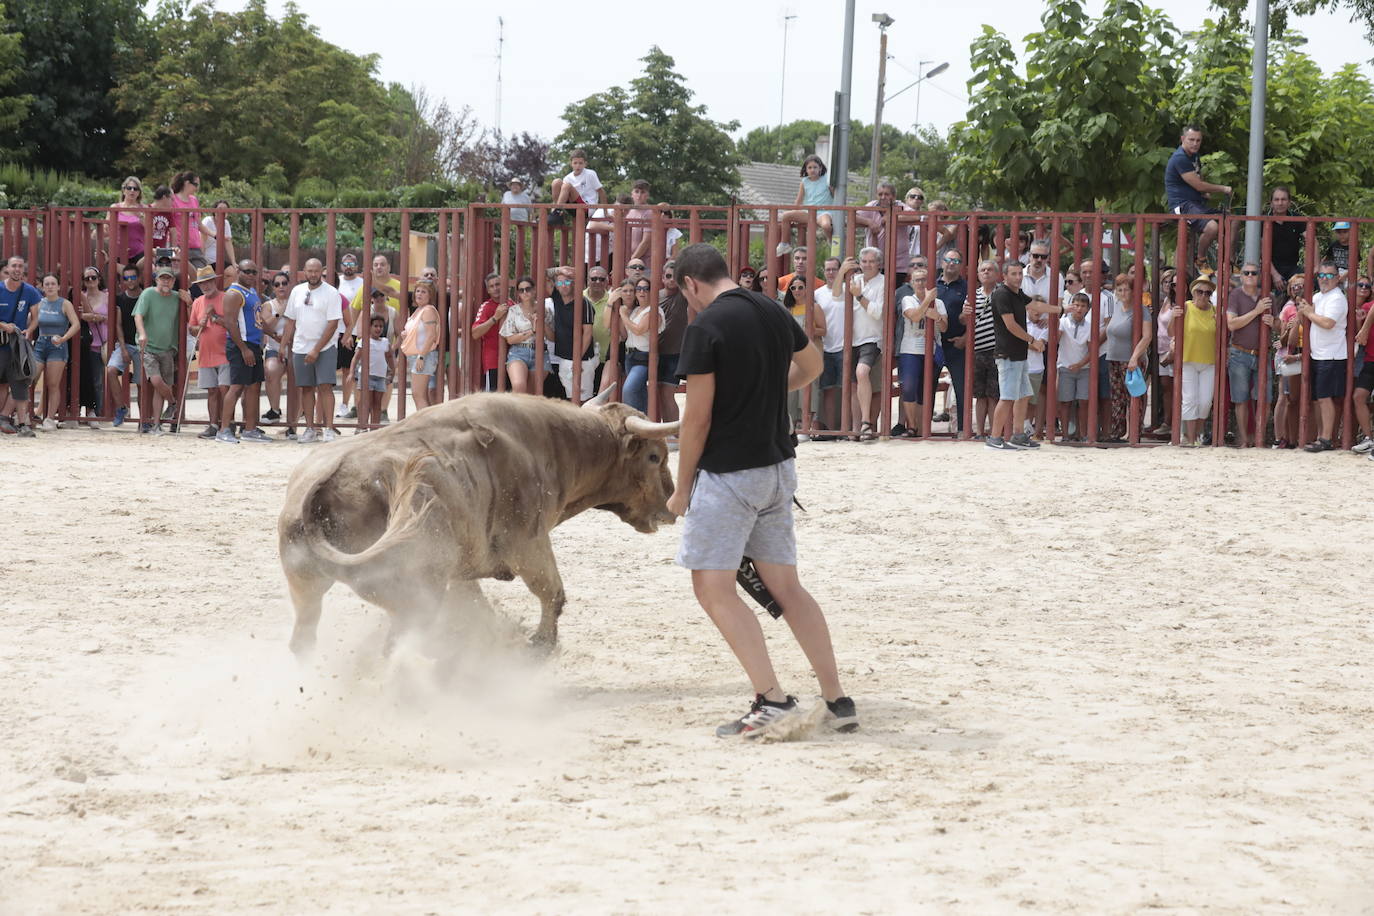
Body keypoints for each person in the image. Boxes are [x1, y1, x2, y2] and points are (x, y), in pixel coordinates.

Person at [666, 243, 857, 739]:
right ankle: (837, 699)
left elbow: (697, 419)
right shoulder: (772, 308)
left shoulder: (705, 327)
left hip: (731, 474)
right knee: (787, 587)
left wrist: (681, 488)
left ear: (690, 284)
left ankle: (770, 698)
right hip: (778, 468)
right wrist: (767, 393)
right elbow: (812, 368)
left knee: (712, 588)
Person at [985, 261, 1045, 450]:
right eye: (1014, 274)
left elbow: (1035, 304)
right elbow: (1010, 325)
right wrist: (1032, 340)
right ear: (1004, 276)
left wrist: (1062, 309)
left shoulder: (1017, 293)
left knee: (1023, 395)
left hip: (1019, 354)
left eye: (1020, 273)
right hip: (1008, 354)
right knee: (1008, 397)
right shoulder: (1002, 294)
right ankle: (994, 438)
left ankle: (1018, 436)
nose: (1018, 277)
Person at [282, 258, 342, 444]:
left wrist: (316, 349)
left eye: (317, 271)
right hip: (300, 347)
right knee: (306, 389)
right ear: (304, 271)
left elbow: (333, 324)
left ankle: (329, 428)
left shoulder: (331, 293)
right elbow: (290, 320)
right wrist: (284, 344)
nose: (313, 274)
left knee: (325, 386)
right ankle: (309, 428)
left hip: (325, 347)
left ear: (321, 271)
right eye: (310, 271)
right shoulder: (297, 292)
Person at [219, 259, 272, 444]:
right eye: (247, 271)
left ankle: (250, 428)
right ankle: (224, 429)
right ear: (238, 271)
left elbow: (257, 319)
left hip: (254, 344)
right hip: (242, 345)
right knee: (237, 386)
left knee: (254, 386)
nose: (250, 275)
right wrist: (243, 349)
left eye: (253, 272)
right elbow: (230, 323)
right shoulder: (234, 293)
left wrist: (274, 334)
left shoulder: (251, 292)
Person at [1164, 125, 1231, 267]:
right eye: (1191, 140)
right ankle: (1200, 259)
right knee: (1212, 227)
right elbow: (1198, 184)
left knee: (1232, 219)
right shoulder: (1180, 158)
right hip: (1182, 206)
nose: (1195, 143)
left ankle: (1229, 260)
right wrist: (1223, 188)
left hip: (1196, 205)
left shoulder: (1194, 156)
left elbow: (1198, 178)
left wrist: (1203, 193)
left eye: (1198, 140)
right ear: (1183, 139)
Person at [835, 248, 885, 441]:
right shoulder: (855, 279)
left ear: (879, 263)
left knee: (862, 372)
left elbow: (878, 312)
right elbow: (836, 295)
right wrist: (842, 272)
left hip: (871, 338)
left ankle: (866, 422)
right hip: (851, 339)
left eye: (871, 261)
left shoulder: (882, 283)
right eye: (863, 261)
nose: (867, 265)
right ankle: (857, 429)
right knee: (854, 385)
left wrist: (858, 297)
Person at [133, 266, 189, 435]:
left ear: (173, 281)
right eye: (162, 278)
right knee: (156, 381)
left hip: (168, 348)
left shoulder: (177, 297)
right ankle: (173, 403)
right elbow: (138, 315)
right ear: (156, 279)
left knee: (160, 388)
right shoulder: (148, 294)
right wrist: (142, 334)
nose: (166, 281)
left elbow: (190, 318)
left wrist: (190, 302)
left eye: (169, 279)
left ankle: (157, 425)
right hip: (148, 347)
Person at [1224, 261, 1274, 448]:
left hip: (1263, 354)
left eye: (1254, 273)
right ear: (1241, 275)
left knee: (1265, 398)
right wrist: (1257, 311)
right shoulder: (1235, 295)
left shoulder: (1267, 296)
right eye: (1247, 273)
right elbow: (1232, 324)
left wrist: (1273, 322)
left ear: (1259, 276)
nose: (1251, 276)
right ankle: (1245, 439)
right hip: (1240, 352)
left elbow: (1278, 326)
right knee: (1241, 398)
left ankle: (1259, 438)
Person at [1301, 259, 1349, 452]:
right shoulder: (1319, 297)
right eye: (1321, 275)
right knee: (1319, 398)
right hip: (1319, 355)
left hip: (1331, 356)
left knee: (1325, 398)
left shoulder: (1337, 298)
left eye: (1329, 275)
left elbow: (1328, 323)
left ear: (1337, 278)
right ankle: (1322, 436)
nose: (1324, 279)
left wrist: (1308, 313)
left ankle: (1326, 438)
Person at [1168, 274, 1219, 447]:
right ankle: (1190, 437)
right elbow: (1171, 332)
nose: (1203, 296)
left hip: (1209, 362)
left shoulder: (1214, 311)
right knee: (1190, 400)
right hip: (1188, 360)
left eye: (1207, 293)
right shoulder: (1186, 307)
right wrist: (1174, 317)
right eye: (1199, 292)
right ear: (1193, 292)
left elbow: (1222, 336)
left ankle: (1197, 433)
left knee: (1205, 402)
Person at [1103, 271, 1154, 442]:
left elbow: (1147, 336)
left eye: (1126, 290)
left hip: (1131, 360)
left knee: (1133, 395)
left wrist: (1135, 357)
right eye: (1120, 290)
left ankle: (1134, 432)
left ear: (1133, 291)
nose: (1123, 293)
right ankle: (1118, 432)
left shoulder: (1141, 310)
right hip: (1113, 358)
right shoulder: (1116, 307)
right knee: (1117, 398)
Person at [896, 267, 946, 437]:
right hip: (910, 348)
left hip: (930, 349)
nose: (920, 283)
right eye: (917, 280)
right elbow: (915, 316)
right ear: (911, 283)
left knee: (925, 389)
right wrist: (927, 303)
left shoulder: (938, 303)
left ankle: (922, 427)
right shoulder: (908, 299)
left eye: (924, 279)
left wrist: (937, 317)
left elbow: (945, 327)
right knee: (909, 387)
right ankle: (912, 425)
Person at [29, 274, 81, 430]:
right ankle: (26, 415)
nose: (50, 286)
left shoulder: (65, 304)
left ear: (58, 286)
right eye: (47, 284)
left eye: (53, 284)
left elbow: (76, 324)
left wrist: (64, 338)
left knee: (52, 384)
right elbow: (33, 322)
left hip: (57, 345)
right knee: (30, 379)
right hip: (40, 344)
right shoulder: (39, 303)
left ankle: (50, 419)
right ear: (43, 287)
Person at [188, 265, 230, 440]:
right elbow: (192, 329)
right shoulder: (198, 302)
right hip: (206, 352)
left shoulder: (227, 298)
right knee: (212, 390)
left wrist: (214, 318)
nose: (206, 286)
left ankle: (228, 424)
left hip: (225, 352)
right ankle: (213, 425)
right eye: (202, 283)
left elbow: (233, 323)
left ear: (214, 281)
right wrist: (200, 325)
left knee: (225, 389)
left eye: (208, 281)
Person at [0, 257, 40, 436]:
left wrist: (29, 330)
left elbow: (36, 317)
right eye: (13, 266)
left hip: (18, 347)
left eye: (20, 266)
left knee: (21, 383)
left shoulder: (30, 291)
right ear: (7, 268)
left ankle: (23, 425)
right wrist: (3, 325)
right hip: (1, 344)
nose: (17, 269)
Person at [547, 267, 597, 402]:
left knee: (584, 398)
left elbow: (587, 334)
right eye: (560, 282)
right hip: (564, 358)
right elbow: (544, 273)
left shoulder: (584, 303)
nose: (563, 286)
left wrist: (577, 358)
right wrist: (559, 269)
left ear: (573, 283)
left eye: (567, 282)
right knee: (571, 397)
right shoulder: (557, 297)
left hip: (583, 359)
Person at [500, 275, 553, 395]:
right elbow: (510, 339)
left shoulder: (544, 310)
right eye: (521, 290)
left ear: (534, 290)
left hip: (540, 352)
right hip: (519, 351)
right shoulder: (513, 310)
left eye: (528, 289)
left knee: (531, 393)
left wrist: (542, 322)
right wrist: (532, 331)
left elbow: (552, 337)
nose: (525, 292)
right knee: (519, 386)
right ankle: (514, 414)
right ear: (518, 293)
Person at [936, 249, 970, 434]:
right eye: (948, 259)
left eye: (956, 260)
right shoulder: (932, 287)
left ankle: (963, 429)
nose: (951, 263)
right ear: (942, 262)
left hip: (958, 345)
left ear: (961, 265)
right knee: (927, 385)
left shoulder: (967, 287)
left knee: (962, 388)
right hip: (935, 345)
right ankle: (922, 428)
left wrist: (966, 338)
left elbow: (975, 316)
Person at [854, 182, 914, 286]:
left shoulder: (900, 206)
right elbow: (852, 216)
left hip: (897, 265)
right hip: (873, 264)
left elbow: (915, 216)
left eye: (887, 194)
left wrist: (892, 217)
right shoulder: (872, 205)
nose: (883, 197)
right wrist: (869, 222)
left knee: (892, 296)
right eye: (880, 194)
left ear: (894, 196)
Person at [619, 278, 665, 413]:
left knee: (629, 389)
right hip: (630, 355)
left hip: (644, 357)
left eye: (646, 289)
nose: (641, 292)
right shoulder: (636, 310)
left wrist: (623, 315)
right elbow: (626, 334)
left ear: (652, 291)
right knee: (638, 393)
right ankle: (643, 428)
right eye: (638, 289)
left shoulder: (654, 310)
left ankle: (632, 424)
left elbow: (639, 330)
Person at [967, 259, 1001, 437]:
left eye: (990, 270)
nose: (986, 272)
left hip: (997, 351)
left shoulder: (1002, 293)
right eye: (983, 270)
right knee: (979, 395)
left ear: (996, 274)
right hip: (977, 350)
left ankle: (994, 431)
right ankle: (980, 431)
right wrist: (963, 315)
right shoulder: (973, 295)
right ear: (978, 274)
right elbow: (965, 321)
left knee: (993, 394)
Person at [777, 154, 835, 255]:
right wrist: (793, 214)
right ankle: (785, 244)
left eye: (815, 167)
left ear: (820, 168)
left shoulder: (826, 179)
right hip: (808, 212)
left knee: (826, 225)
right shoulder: (804, 182)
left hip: (823, 212)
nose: (812, 170)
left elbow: (835, 195)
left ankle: (831, 242)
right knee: (785, 216)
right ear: (806, 169)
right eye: (810, 167)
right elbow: (798, 202)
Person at [1056, 292, 1094, 442]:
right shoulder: (1063, 322)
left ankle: (1082, 434)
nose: (1079, 309)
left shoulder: (1090, 326)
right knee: (1065, 402)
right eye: (1076, 305)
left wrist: (1080, 364)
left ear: (1087, 309)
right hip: (1065, 367)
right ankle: (1065, 435)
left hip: (1083, 368)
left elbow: (1092, 350)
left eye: (1083, 306)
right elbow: (1056, 340)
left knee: (1083, 402)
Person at [654, 261, 689, 422]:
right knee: (659, 393)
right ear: (662, 278)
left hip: (674, 353)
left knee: (668, 392)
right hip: (654, 353)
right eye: (668, 276)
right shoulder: (655, 296)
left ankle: (675, 433)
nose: (671, 280)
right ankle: (666, 430)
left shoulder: (683, 295)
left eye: (675, 277)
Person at [400, 279, 441, 411]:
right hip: (417, 355)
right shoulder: (419, 309)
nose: (419, 294)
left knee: (418, 395)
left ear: (430, 295)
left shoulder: (428, 310)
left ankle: (425, 427)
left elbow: (431, 336)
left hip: (424, 356)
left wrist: (421, 356)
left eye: (424, 292)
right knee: (421, 395)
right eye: (418, 291)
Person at [76, 268, 110, 427]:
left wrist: (98, 317)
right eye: (87, 278)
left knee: (102, 380)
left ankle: (101, 411)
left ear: (99, 278)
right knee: (89, 380)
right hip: (87, 344)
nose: (90, 281)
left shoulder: (107, 296)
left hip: (104, 343)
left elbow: (114, 318)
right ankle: (90, 411)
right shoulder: (80, 297)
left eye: (93, 277)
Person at [260, 270, 291, 425]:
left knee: (297, 379)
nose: (281, 287)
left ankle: (299, 412)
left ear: (289, 285)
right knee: (271, 371)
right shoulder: (268, 305)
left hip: (294, 347)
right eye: (277, 284)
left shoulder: (296, 302)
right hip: (274, 346)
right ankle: (275, 410)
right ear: (273, 288)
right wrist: (279, 313)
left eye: (284, 283)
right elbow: (265, 326)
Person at [472, 273, 511, 392]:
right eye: (491, 286)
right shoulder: (486, 307)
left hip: (513, 359)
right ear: (488, 290)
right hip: (493, 360)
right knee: (493, 399)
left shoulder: (512, 304)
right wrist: (495, 317)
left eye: (498, 284)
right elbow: (475, 333)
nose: (495, 288)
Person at [351, 315, 392, 425]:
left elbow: (389, 357)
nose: (378, 329)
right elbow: (355, 358)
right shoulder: (364, 341)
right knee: (365, 402)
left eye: (381, 326)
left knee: (377, 403)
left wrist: (391, 372)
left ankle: (375, 427)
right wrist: (351, 373)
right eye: (375, 326)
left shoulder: (385, 342)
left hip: (380, 376)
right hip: (366, 376)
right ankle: (361, 425)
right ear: (369, 327)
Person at [1152, 269, 1177, 436]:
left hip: (1173, 350)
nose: (1168, 285)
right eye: (1165, 282)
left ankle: (1175, 423)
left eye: (1171, 282)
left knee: (1176, 387)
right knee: (1166, 387)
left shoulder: (1178, 302)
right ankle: (1168, 422)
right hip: (1162, 350)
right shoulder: (1166, 300)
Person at [1266, 187, 1306, 291]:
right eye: (1277, 199)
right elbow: (1263, 251)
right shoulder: (1264, 220)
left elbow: (1312, 240)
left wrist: (1315, 266)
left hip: (1292, 267)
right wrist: (1275, 275)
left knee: (1306, 283)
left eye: (1283, 199)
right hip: (1268, 268)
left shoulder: (1296, 218)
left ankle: (1295, 307)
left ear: (1289, 203)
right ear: (1271, 203)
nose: (1280, 203)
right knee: (1255, 282)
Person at [549, 148, 605, 215]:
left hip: (587, 206)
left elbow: (601, 192)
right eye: (575, 163)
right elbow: (560, 196)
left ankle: (557, 211)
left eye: (580, 163)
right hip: (572, 205)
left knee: (567, 186)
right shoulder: (567, 178)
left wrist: (605, 211)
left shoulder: (590, 174)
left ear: (585, 164)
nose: (578, 166)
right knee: (556, 182)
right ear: (571, 164)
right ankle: (556, 212)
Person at [170, 171, 207, 268]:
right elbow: (170, 226)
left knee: (202, 276)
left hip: (195, 247)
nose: (197, 188)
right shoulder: (173, 199)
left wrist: (216, 235)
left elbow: (199, 224)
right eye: (195, 184)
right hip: (179, 246)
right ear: (187, 183)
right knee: (181, 277)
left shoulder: (194, 200)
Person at [112, 176, 146, 267]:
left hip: (139, 251)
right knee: (120, 279)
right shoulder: (115, 208)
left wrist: (140, 215)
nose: (132, 191)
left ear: (139, 192)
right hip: (119, 251)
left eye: (135, 189)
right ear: (124, 190)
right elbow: (107, 229)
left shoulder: (144, 208)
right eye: (129, 188)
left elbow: (152, 229)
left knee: (140, 279)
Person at [201, 200, 235, 268]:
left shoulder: (226, 223)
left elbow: (228, 243)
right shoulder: (208, 221)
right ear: (214, 210)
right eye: (220, 208)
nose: (222, 211)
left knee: (233, 272)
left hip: (218, 260)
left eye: (225, 209)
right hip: (207, 260)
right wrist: (202, 262)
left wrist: (233, 262)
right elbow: (202, 241)